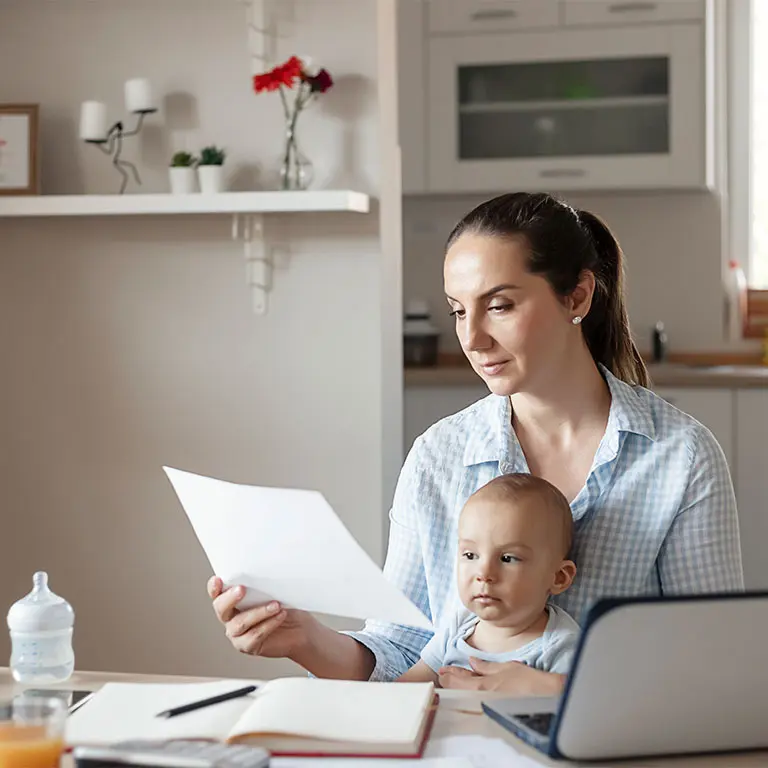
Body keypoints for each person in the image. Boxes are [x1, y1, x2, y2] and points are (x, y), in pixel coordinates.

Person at [208, 192, 744, 694]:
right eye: (459, 310)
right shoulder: (438, 457)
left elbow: (712, 668)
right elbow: (402, 649)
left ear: (577, 296)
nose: (471, 339)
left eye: (500, 306)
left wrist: (562, 694)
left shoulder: (680, 458)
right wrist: (304, 639)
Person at [397, 473, 579, 684]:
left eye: (507, 558)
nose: (484, 574)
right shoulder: (459, 626)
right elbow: (409, 687)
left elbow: (582, 711)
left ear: (558, 577)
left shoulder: (561, 647)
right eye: (470, 555)